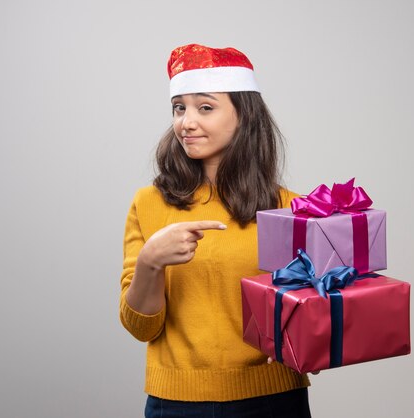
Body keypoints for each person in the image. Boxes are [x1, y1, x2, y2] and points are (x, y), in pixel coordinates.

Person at [119, 44, 312, 417]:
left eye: (204, 107)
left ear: (244, 116)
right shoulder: (149, 203)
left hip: (273, 401)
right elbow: (140, 327)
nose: (186, 122)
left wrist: (318, 333)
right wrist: (150, 262)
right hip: (175, 404)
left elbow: (309, 315)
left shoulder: (293, 209)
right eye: (179, 107)